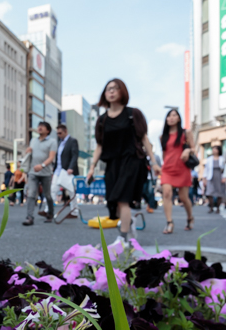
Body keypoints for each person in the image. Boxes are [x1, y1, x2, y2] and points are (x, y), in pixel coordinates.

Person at [87, 79, 160, 241]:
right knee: (114, 202)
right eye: (108, 89)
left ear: (122, 92)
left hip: (132, 161)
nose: (111, 91)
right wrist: (91, 167)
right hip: (113, 164)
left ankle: (123, 239)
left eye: (115, 88)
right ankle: (129, 223)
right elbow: (99, 146)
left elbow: (144, 139)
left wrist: (154, 162)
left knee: (122, 199)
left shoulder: (133, 114)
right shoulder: (102, 120)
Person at [159, 109, 196, 233]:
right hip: (167, 169)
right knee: (167, 193)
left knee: (183, 197)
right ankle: (169, 222)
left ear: (179, 118)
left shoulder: (186, 133)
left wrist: (187, 150)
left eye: (174, 115)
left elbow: (193, 148)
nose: (171, 118)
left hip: (182, 169)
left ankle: (190, 217)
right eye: (169, 115)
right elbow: (165, 154)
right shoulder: (162, 136)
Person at [22, 121, 57, 226]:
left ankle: (50, 214)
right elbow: (30, 154)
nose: (40, 127)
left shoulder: (52, 141)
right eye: (39, 126)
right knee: (31, 194)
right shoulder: (33, 140)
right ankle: (29, 217)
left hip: (46, 173)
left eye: (43, 126)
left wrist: (41, 166)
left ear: (48, 130)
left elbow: (51, 157)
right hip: (33, 173)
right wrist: (27, 152)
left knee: (48, 195)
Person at [51, 123, 79, 219]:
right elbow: (58, 158)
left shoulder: (72, 141)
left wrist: (71, 167)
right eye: (57, 133)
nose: (59, 135)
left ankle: (74, 212)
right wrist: (53, 169)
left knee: (71, 192)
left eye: (60, 133)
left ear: (65, 131)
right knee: (53, 190)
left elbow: (75, 155)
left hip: (67, 171)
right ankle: (48, 211)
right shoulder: (59, 143)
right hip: (58, 171)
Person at [203, 145, 225, 213]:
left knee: (219, 193)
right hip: (211, 177)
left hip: (219, 177)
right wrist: (204, 178)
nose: (214, 150)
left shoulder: (222, 158)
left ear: (219, 150)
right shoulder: (209, 159)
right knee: (209, 193)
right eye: (213, 149)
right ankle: (211, 207)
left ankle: (218, 208)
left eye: (215, 149)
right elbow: (206, 169)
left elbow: (225, 169)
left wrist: (225, 177)